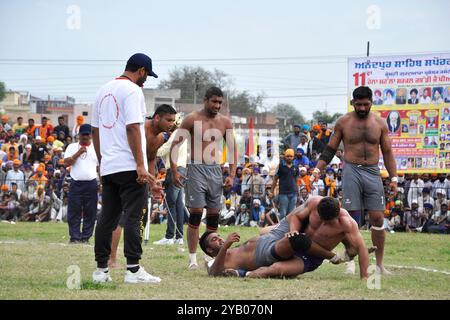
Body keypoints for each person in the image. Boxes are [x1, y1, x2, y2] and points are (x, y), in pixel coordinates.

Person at [91, 52, 161, 284]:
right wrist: (141, 165)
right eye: (147, 75)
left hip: (110, 165)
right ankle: (133, 270)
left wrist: (102, 162)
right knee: (134, 216)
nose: (146, 79)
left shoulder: (102, 90)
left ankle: (101, 270)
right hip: (129, 165)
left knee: (107, 218)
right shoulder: (133, 90)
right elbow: (133, 128)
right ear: (140, 70)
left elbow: (95, 131)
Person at [316, 86, 398, 275]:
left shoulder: (380, 124)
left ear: (371, 103)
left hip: (372, 171)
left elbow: (387, 152)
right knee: (352, 217)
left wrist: (393, 177)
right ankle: (351, 259)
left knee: (377, 217)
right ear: (352, 102)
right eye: (358, 104)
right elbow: (330, 149)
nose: (362, 108)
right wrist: (316, 169)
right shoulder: (343, 122)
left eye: (365, 104)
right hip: (351, 169)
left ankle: (379, 265)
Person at [200, 196, 369, 279]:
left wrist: (365, 278)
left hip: (294, 249)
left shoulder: (347, 223)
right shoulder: (314, 203)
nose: (219, 239)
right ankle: (337, 257)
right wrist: (293, 231)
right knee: (271, 268)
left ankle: (344, 255)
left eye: (218, 237)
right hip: (280, 242)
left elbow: (361, 248)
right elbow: (294, 218)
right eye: (214, 240)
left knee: (354, 247)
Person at [170, 86, 237, 270]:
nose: (217, 105)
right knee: (196, 213)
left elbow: (232, 150)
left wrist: (231, 175)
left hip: (215, 170)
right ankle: (192, 258)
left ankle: (213, 258)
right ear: (205, 100)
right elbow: (176, 144)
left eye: (220, 102)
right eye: (214, 101)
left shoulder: (226, 122)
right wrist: (175, 171)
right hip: (196, 168)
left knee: (214, 216)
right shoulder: (192, 118)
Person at [153, 113, 187, 246]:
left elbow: (164, 150)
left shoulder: (176, 134)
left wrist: (152, 149)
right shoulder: (183, 134)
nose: (169, 124)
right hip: (182, 169)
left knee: (171, 203)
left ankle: (169, 236)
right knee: (178, 204)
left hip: (174, 170)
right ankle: (179, 237)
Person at [63, 124, 98, 243]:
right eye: (83, 134)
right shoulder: (72, 147)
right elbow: (66, 163)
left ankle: (85, 237)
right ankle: (74, 237)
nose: (85, 137)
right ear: (79, 135)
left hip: (91, 183)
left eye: (87, 134)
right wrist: (78, 153)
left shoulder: (96, 147)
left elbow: (101, 166)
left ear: (91, 135)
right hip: (76, 183)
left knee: (91, 212)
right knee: (74, 211)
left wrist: (102, 182)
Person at [272, 149, 299, 220]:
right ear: (284, 157)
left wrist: (297, 191)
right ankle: (281, 229)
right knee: (283, 213)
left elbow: (296, 180)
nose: (289, 158)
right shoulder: (280, 166)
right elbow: (275, 179)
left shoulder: (296, 167)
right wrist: (271, 192)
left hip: (294, 193)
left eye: (291, 156)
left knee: (292, 213)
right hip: (283, 193)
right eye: (287, 156)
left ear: (293, 157)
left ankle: (289, 229)